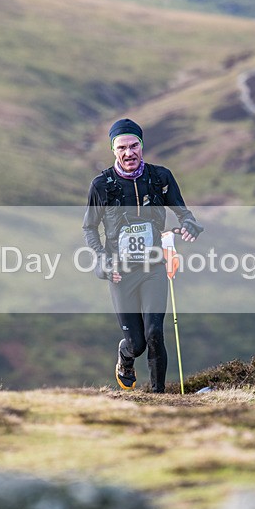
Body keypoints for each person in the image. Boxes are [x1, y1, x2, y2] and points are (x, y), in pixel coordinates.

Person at [82, 118, 203, 393]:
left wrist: (189, 225)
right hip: (121, 273)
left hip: (154, 268)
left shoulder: (160, 178)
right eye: (121, 147)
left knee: (155, 334)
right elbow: (89, 227)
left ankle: (158, 396)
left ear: (142, 145)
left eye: (134, 145)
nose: (129, 153)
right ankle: (125, 357)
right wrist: (103, 259)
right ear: (113, 150)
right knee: (137, 344)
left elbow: (184, 213)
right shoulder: (102, 185)